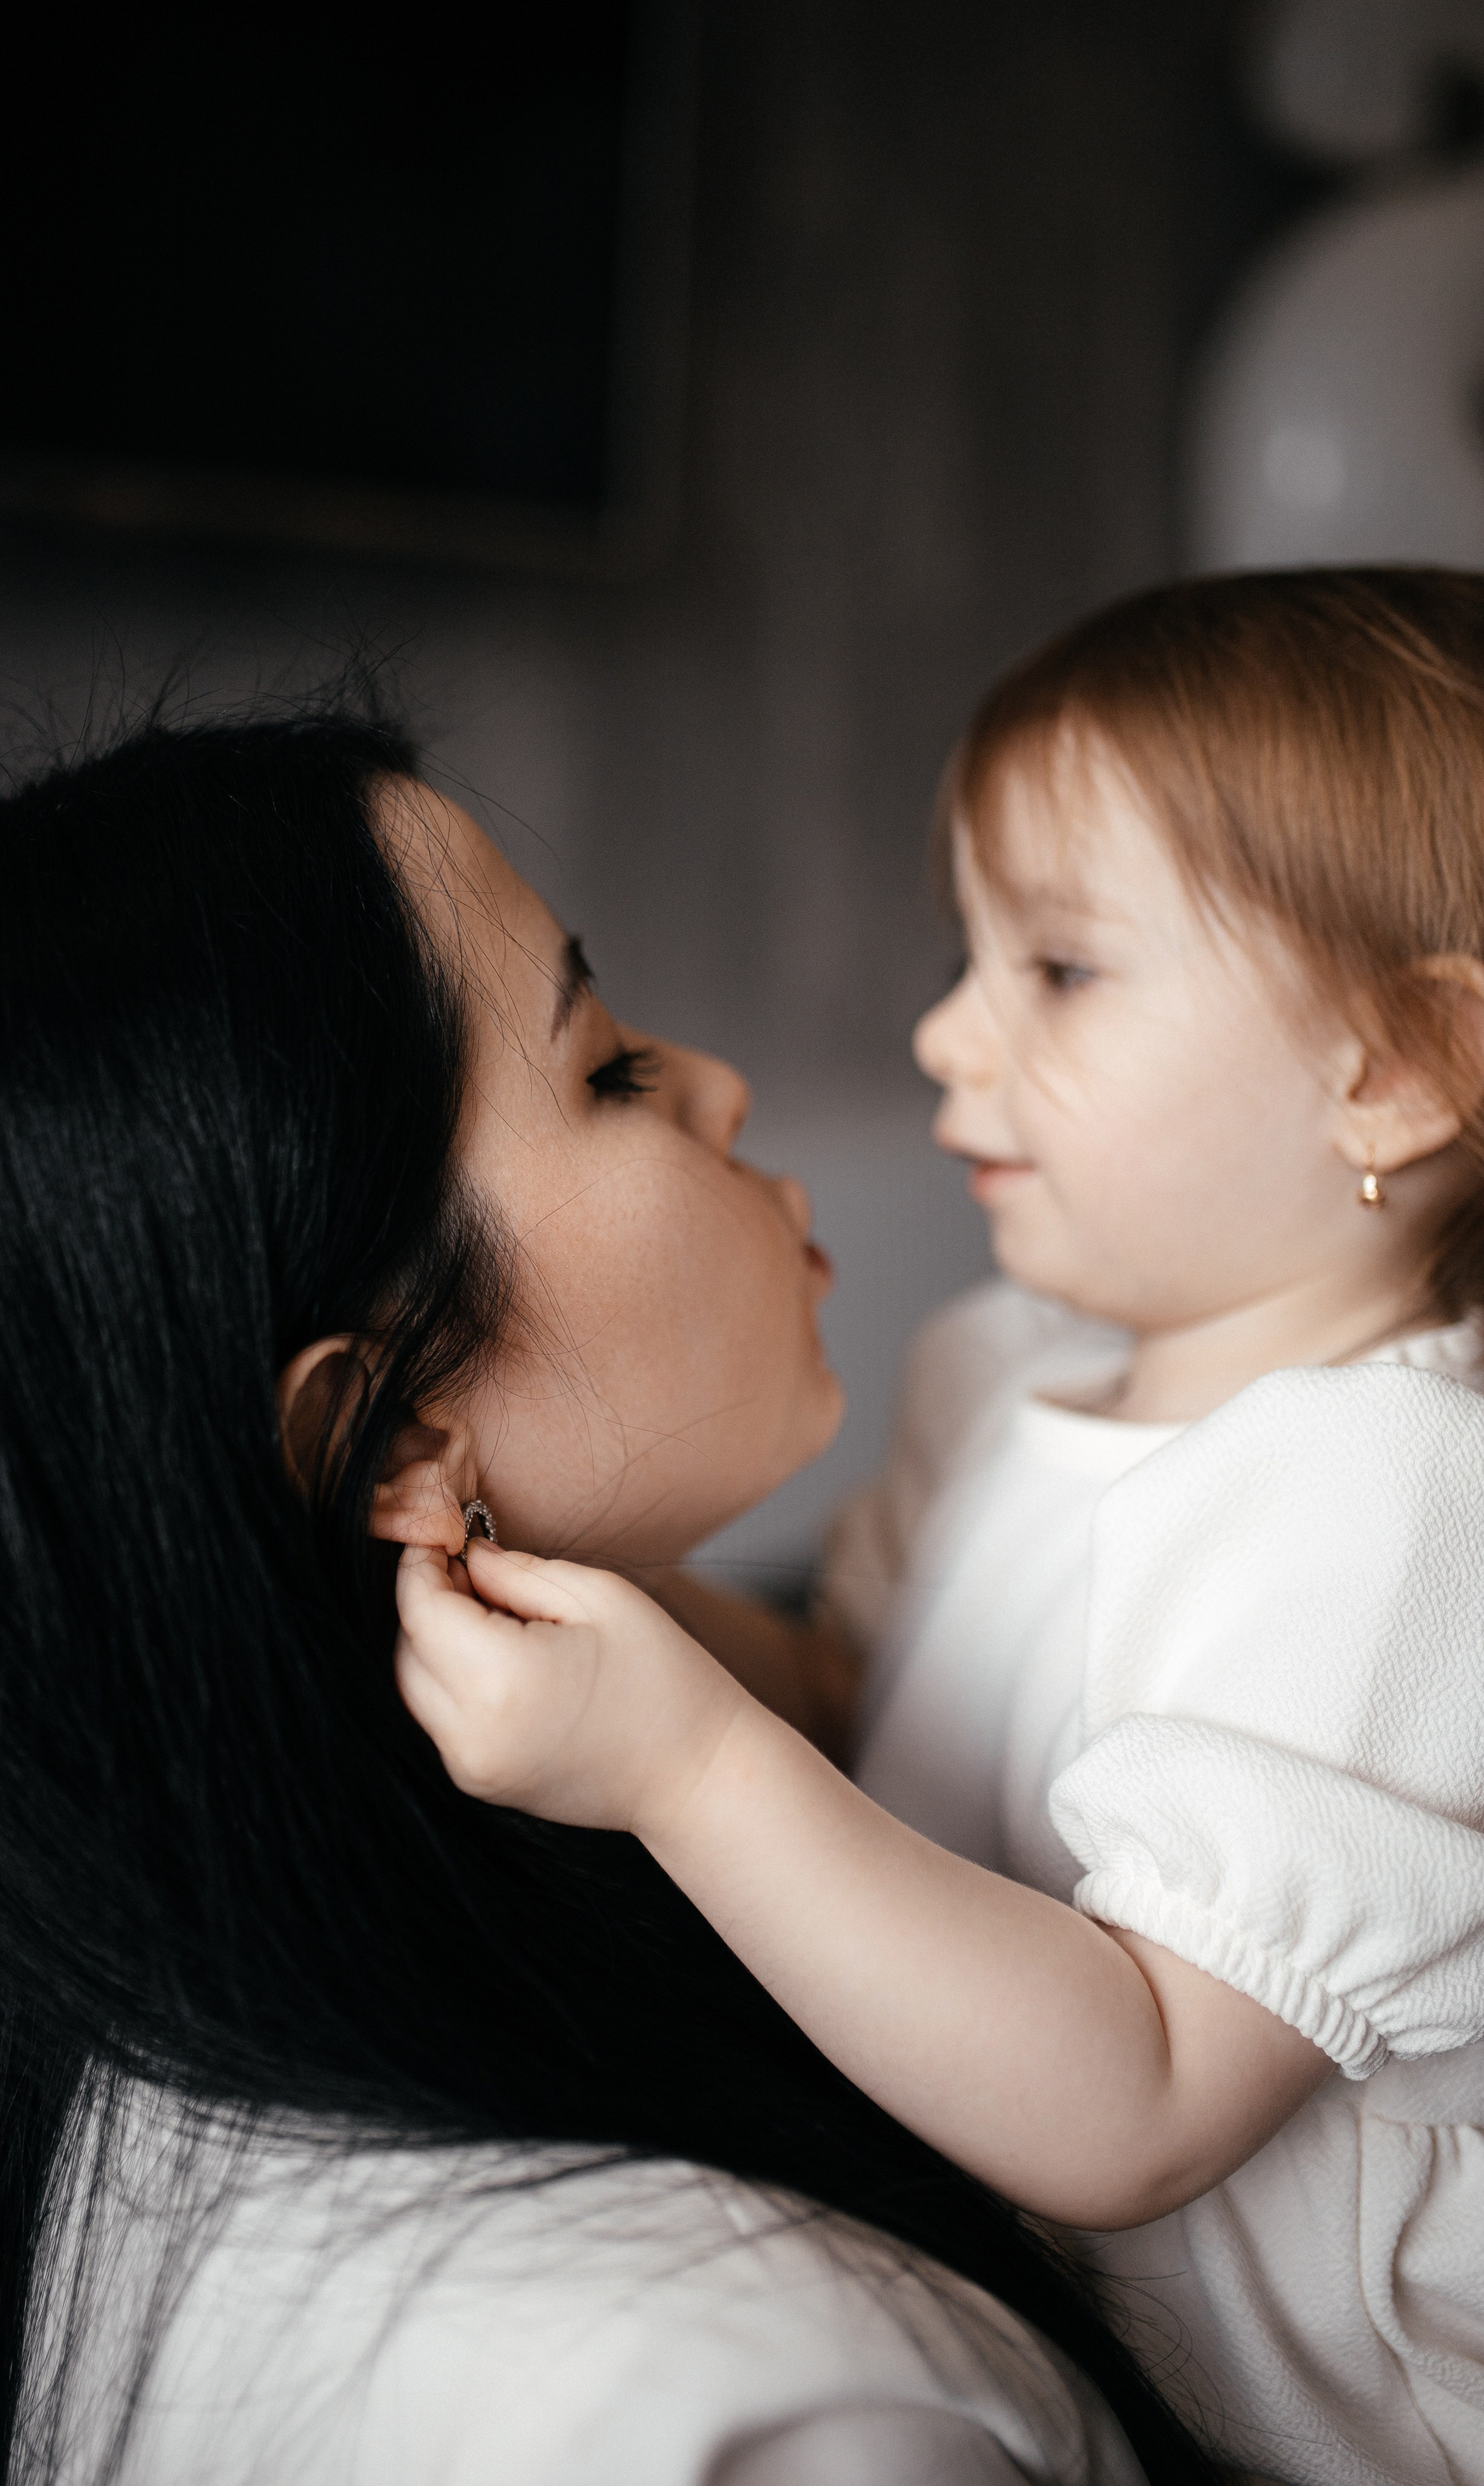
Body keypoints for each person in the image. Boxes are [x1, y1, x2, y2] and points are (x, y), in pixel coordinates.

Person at [0, 700, 1212, 2486]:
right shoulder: (769, 2406)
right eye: (611, 1070)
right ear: (387, 1434)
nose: (718, 1084)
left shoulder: (124, 2060)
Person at [396, 570, 1484, 2486]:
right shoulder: (999, 1368)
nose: (945, 1038)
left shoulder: (1393, 1498)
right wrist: (587, 1595)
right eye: (965, 956)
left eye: (1059, 971)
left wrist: (677, 1763)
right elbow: (860, 1695)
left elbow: (1141, 2102)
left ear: (1394, 1071)